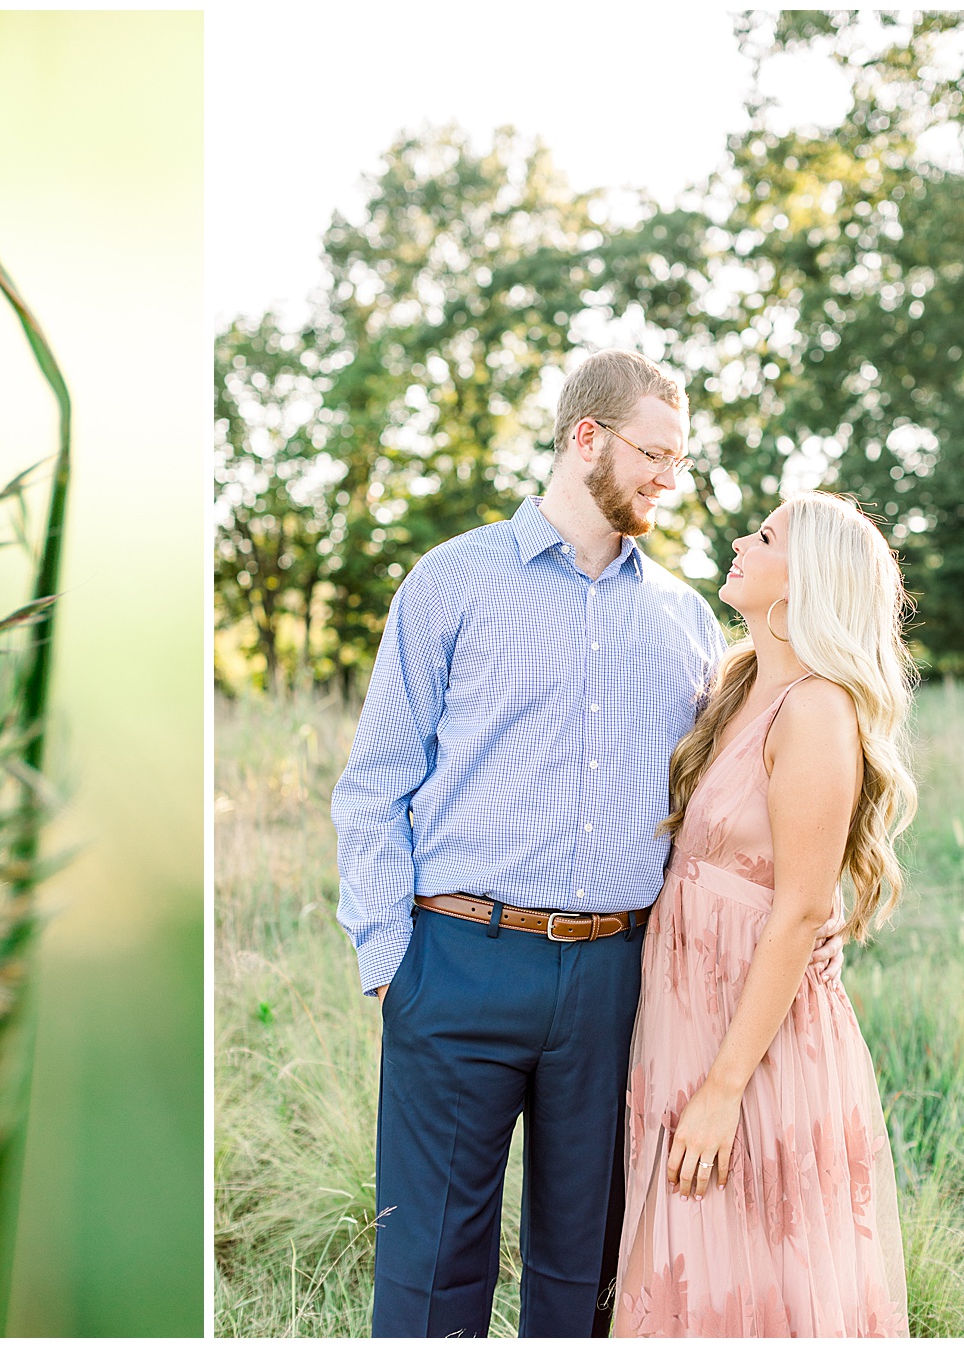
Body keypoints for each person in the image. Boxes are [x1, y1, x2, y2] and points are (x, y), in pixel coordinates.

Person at [331, 349, 728, 1337]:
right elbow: (376, 781)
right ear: (585, 437)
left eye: (681, 460)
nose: (670, 480)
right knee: (430, 1269)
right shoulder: (451, 582)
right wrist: (392, 963)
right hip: (457, 963)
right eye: (656, 454)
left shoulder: (685, 619)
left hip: (614, 981)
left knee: (585, 1273)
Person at [611, 492, 913, 1337]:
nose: (743, 540)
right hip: (688, 1013)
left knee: (750, 1266)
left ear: (805, 582)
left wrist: (723, 1087)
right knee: (691, 1256)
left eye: (767, 536)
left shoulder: (815, 709)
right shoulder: (737, 687)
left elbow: (801, 910)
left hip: (752, 1042)